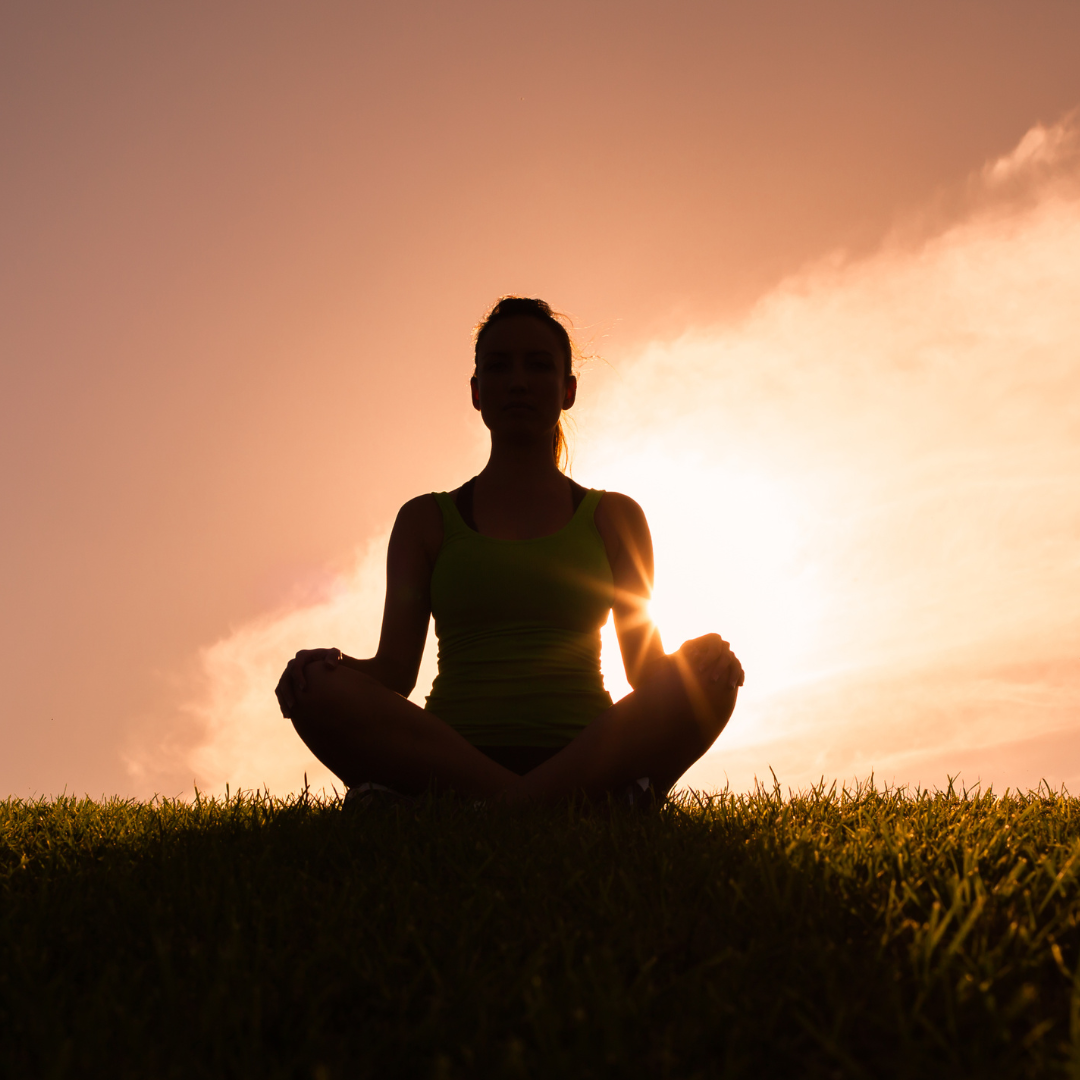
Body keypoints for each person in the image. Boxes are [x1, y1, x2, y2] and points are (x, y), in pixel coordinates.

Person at [275, 297, 743, 804]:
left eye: (538, 365)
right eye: (499, 367)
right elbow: (394, 672)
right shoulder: (425, 519)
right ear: (477, 392)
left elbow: (645, 670)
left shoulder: (614, 516)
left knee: (712, 679)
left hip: (585, 752)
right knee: (315, 686)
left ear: (568, 390)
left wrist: (697, 658)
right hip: (451, 754)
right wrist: (327, 668)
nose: (518, 382)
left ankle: (470, 804)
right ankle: (579, 803)